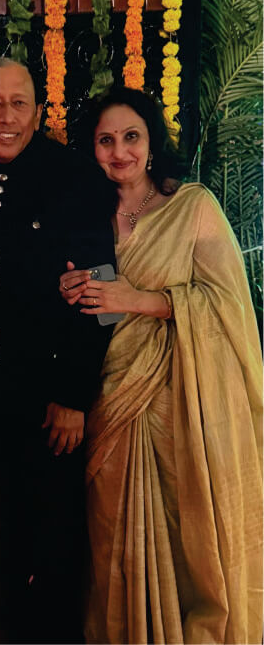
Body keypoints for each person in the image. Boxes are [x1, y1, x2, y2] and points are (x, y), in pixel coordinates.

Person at [59, 87, 263, 644]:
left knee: (179, 524)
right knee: (110, 533)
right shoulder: (85, 214)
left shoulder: (191, 207)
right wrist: (70, 288)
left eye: (131, 137)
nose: (119, 151)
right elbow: (78, 312)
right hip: (110, 396)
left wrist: (141, 300)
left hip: (177, 400)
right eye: (105, 140)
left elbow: (228, 305)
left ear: (152, 143)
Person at [0, 58, 116, 643]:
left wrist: (73, 396)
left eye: (19, 104)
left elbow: (100, 294)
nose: (7, 118)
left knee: (58, 542)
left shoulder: (74, 176)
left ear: (39, 112)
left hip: (51, 400)